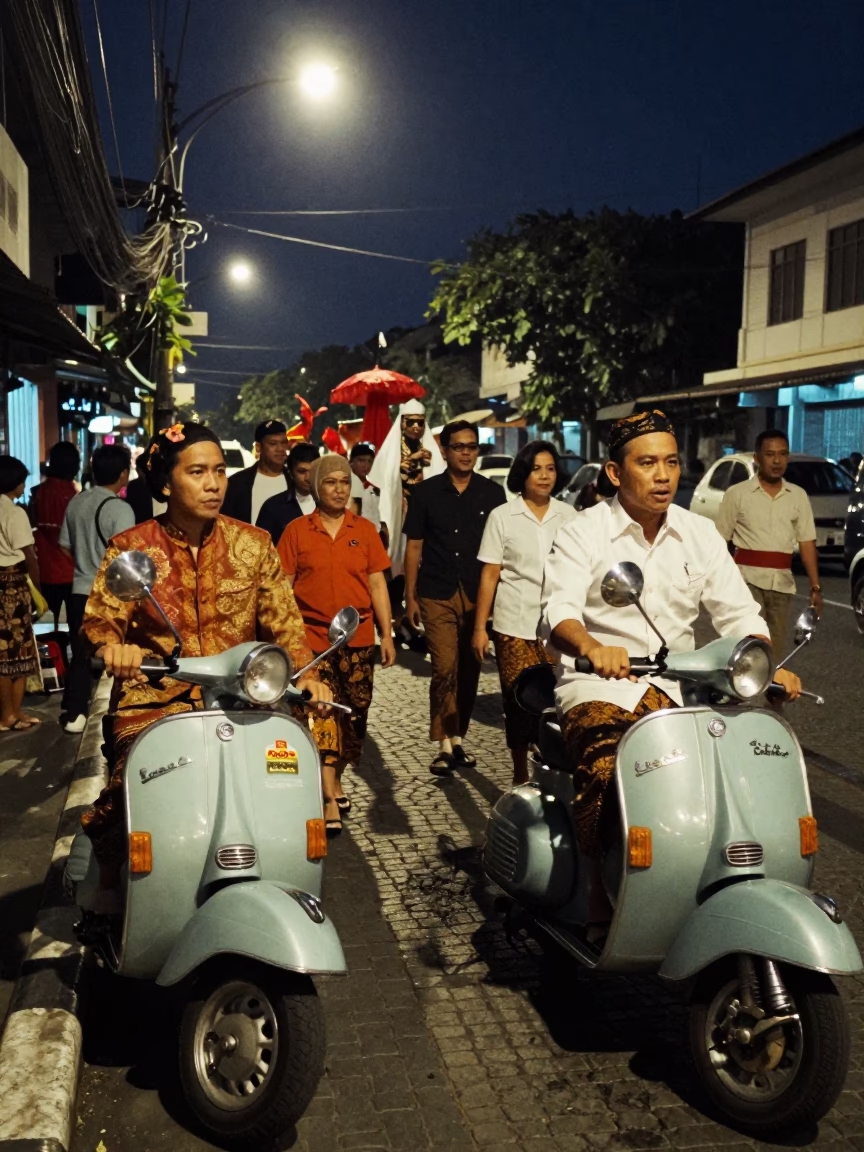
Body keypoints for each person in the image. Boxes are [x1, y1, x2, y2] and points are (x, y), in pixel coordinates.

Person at [542, 410, 802, 935]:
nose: (663, 475)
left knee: (727, 771)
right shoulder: (582, 532)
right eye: (647, 463)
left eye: (671, 462)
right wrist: (593, 646)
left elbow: (737, 611)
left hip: (678, 686)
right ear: (617, 474)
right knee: (605, 768)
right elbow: (559, 609)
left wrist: (765, 661)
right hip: (598, 684)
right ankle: (597, 885)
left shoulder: (699, 533)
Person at [78, 422, 331, 910]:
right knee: (127, 784)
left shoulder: (255, 544)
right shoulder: (131, 548)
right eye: (197, 472)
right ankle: (112, 877)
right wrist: (116, 648)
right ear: (167, 482)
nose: (214, 483)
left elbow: (286, 626)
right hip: (156, 699)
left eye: (219, 470)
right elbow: (101, 621)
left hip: (243, 698)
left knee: (292, 772)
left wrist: (309, 674)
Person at [277, 454, 394, 835]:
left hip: (358, 639)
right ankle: (327, 797)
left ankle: (336, 776)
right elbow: (283, 589)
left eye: (345, 482)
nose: (340, 489)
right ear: (317, 487)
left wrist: (387, 634)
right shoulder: (296, 531)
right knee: (322, 712)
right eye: (331, 482)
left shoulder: (366, 531)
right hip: (312, 641)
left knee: (355, 716)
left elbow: (377, 583)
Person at [404, 419, 507, 776]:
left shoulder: (493, 494)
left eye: (472, 446)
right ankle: (444, 742)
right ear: (445, 451)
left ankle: (458, 736)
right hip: (436, 591)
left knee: (469, 669)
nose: (466, 453)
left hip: (477, 595)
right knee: (444, 666)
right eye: (459, 447)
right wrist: (410, 597)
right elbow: (413, 545)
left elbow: (499, 552)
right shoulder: (425, 493)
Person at [473, 441, 577, 785]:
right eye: (536, 468)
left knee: (560, 700)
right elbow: (490, 574)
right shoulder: (503, 516)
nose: (544, 476)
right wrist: (480, 628)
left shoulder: (570, 516)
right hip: (513, 625)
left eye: (550, 468)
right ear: (523, 473)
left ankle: (555, 770)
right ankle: (520, 774)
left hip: (560, 627)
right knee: (519, 703)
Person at [716, 429, 822, 657]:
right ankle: (737, 691)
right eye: (770, 454)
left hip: (782, 583)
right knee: (745, 644)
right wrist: (722, 582)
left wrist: (815, 587)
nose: (777, 460)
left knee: (774, 650)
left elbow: (806, 542)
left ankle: (771, 689)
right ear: (757, 458)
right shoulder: (737, 494)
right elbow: (719, 541)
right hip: (745, 582)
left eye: (782, 454)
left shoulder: (798, 495)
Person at [57, 444, 135, 734]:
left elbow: (64, 545)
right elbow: (126, 555)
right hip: (109, 593)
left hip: (79, 589)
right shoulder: (119, 508)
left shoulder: (77, 501)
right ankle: (111, 714)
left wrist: (84, 564)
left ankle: (74, 712)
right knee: (115, 654)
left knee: (80, 653)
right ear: (123, 473)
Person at [0, 456, 42, 730]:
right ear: (16, 483)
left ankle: (12, 713)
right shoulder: (15, 513)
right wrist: (38, 590)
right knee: (17, 653)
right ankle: (9, 715)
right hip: (13, 586)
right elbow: (29, 555)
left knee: (3, 652)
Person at [28, 441, 80, 630]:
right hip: (70, 569)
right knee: (75, 626)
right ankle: (74, 660)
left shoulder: (38, 492)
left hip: (44, 567)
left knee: (46, 627)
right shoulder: (73, 495)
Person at [221, 419, 289, 524]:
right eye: (273, 443)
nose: (280, 448)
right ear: (258, 447)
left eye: (283, 443)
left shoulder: (295, 481)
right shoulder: (236, 484)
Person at [256, 442, 319, 545]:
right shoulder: (272, 507)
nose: (308, 478)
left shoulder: (328, 504)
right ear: (291, 472)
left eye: (312, 471)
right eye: (302, 471)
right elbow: (260, 547)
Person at [349, 442, 385, 540]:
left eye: (370, 461)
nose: (366, 465)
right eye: (361, 460)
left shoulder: (373, 486)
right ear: (351, 462)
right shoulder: (347, 485)